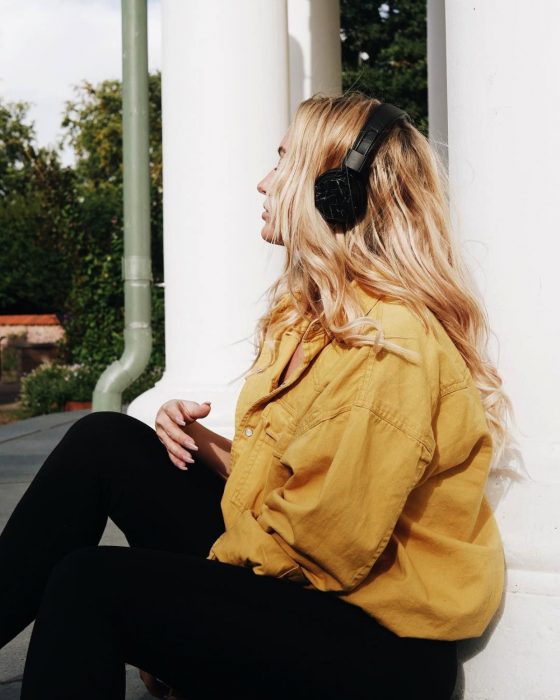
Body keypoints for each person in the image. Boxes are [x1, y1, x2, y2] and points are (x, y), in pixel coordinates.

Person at [0, 92, 514, 700]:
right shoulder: (311, 318)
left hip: (377, 645)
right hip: (310, 588)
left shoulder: (388, 347)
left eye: (283, 161)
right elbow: (297, 481)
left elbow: (320, 546)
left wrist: (174, 611)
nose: (264, 183)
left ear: (336, 192)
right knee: (104, 440)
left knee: (91, 584)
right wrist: (203, 445)